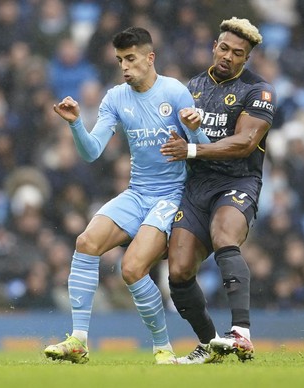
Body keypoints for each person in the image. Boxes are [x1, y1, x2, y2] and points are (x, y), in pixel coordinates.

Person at [43, 27, 208, 365]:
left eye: (131, 59)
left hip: (172, 195)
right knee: (86, 242)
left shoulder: (175, 92)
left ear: (150, 58)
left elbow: (204, 149)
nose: (124, 67)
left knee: (132, 269)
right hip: (137, 193)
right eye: (120, 60)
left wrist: (195, 128)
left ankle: (162, 348)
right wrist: (76, 124)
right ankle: (78, 340)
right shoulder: (116, 97)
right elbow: (91, 152)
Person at [160, 17, 276, 364]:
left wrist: (192, 149)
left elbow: (245, 142)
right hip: (197, 187)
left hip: (237, 182)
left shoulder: (259, 91)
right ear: (214, 46)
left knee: (225, 234)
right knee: (178, 271)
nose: (227, 56)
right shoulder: (192, 85)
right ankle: (210, 344)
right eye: (223, 48)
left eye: (237, 53)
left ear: (246, 58)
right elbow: (172, 134)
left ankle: (241, 332)